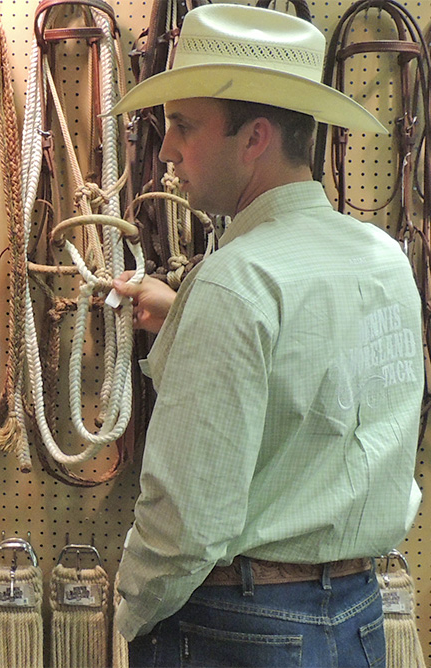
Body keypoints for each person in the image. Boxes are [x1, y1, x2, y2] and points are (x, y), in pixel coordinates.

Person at [109, 4, 423, 667]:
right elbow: (315, 379)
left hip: (237, 628)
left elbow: (188, 522)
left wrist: (132, 606)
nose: (166, 150)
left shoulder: (236, 283)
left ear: (254, 138)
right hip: (360, 616)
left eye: (185, 126)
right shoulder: (384, 259)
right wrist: (189, 318)